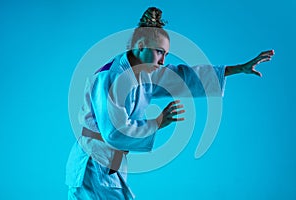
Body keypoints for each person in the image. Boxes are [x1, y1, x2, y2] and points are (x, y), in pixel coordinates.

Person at [65, 7, 274, 200]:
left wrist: (237, 68)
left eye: (165, 54)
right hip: (92, 166)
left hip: (108, 167)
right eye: (159, 52)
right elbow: (113, 132)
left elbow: (184, 77)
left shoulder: (145, 73)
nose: (163, 60)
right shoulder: (111, 76)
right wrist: (157, 122)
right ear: (140, 47)